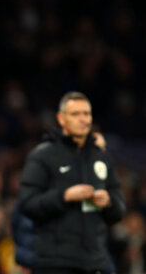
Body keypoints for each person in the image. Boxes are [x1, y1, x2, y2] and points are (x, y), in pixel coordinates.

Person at [18, 91, 126, 274]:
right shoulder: (43, 155)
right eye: (75, 114)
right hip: (54, 263)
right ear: (61, 118)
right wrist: (64, 197)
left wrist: (109, 202)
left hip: (94, 262)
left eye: (87, 114)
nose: (83, 119)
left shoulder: (100, 156)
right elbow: (27, 204)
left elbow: (119, 209)